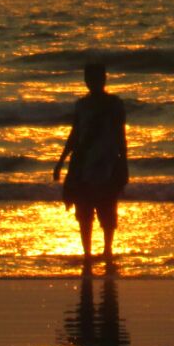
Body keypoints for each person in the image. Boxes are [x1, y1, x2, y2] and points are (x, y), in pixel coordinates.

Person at [53, 63, 128, 266]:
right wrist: (60, 162)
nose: (92, 82)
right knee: (84, 213)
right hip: (83, 164)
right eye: (89, 78)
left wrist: (124, 164)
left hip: (108, 164)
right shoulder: (82, 106)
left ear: (104, 79)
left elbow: (121, 136)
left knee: (107, 213)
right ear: (85, 81)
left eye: (96, 78)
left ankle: (107, 252)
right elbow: (74, 135)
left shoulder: (114, 105)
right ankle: (87, 255)